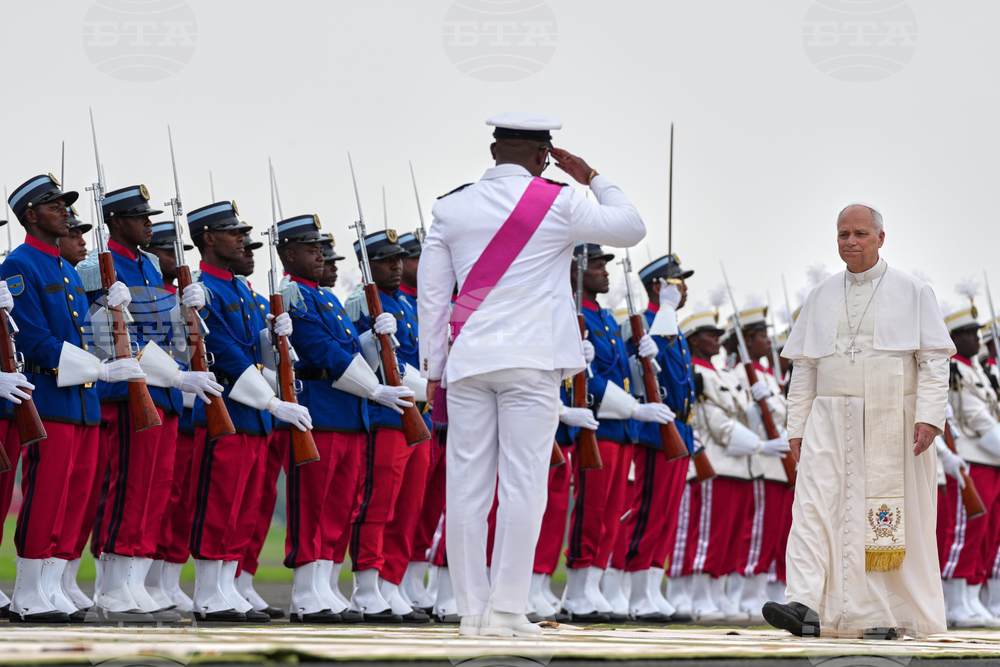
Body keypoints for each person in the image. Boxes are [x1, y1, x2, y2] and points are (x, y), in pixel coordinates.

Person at [418, 112, 645, 637]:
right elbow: (632, 226)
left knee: (467, 486)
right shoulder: (560, 201)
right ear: (544, 155)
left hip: (470, 361)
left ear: (494, 151)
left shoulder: (450, 207)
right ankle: (507, 610)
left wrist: (434, 367)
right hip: (532, 360)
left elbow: (433, 295)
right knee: (523, 485)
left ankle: (471, 611)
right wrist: (591, 176)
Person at [765, 203, 955, 639]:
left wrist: (929, 416)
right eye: (843, 234)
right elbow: (805, 368)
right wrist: (797, 426)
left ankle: (881, 613)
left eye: (860, 234)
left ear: (880, 238)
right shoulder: (821, 294)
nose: (850, 242)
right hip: (828, 416)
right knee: (812, 506)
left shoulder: (913, 290)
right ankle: (805, 603)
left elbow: (933, 361)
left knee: (879, 514)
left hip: (891, 413)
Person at [79, 185, 215, 623]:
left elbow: (170, 338)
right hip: (131, 388)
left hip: (165, 391)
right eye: (139, 218)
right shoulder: (100, 266)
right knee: (129, 485)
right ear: (117, 222)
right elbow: (107, 337)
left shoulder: (150, 266)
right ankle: (113, 582)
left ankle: (136, 577)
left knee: (157, 488)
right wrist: (173, 372)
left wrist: (189, 313)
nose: (148, 225)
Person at [3, 174, 136, 623]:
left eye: (64, 204)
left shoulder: (62, 267)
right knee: (46, 494)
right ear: (30, 215)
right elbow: (35, 341)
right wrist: (101, 369)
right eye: (53, 205)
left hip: (83, 400)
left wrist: (106, 306)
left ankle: (53, 584)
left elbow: (80, 331)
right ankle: (27, 591)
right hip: (49, 396)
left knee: (74, 496)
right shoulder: (20, 265)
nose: (64, 212)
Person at [185, 200, 311, 623]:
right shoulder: (205, 290)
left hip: (253, 418)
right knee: (219, 504)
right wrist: (275, 402)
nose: (242, 240)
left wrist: (280, 344)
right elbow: (226, 356)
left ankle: (226, 586)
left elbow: (262, 360)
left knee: (243, 507)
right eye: (234, 233)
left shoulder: (244, 291)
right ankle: (208, 592)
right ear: (208, 239)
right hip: (228, 413)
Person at [561, 243, 673, 622]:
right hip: (599, 424)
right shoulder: (572, 315)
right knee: (591, 511)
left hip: (621, 429)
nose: (604, 271)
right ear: (576, 272)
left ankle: (592, 583)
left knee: (612, 515)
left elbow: (622, 375)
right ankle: (577, 588)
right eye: (596, 265)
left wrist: (640, 356)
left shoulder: (607, 319)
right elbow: (589, 381)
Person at [345, 229, 427, 622]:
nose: (397, 266)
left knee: (408, 508)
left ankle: (392, 583)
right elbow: (362, 362)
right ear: (369, 265)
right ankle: (367, 584)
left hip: (415, 416)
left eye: (399, 259)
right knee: (378, 506)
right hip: (385, 418)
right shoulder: (361, 302)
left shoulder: (406, 306)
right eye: (387, 260)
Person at [610, 254, 697, 623]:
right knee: (646, 511)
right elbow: (638, 368)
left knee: (665, 514)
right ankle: (631, 590)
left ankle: (650, 587)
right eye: (678, 282)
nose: (685, 288)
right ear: (660, 287)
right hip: (653, 429)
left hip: (678, 428)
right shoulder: (641, 322)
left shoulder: (671, 324)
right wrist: (663, 311)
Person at [939, 299, 1000, 627]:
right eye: (968, 334)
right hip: (973, 458)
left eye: (976, 333)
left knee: (988, 534)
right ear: (953, 338)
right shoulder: (955, 371)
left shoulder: (977, 369)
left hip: (992, 461)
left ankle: (972, 599)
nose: (977, 339)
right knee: (966, 532)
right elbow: (977, 419)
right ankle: (955, 602)